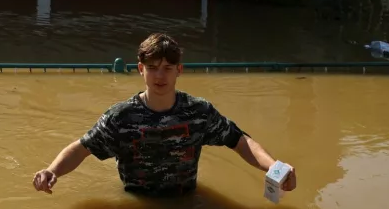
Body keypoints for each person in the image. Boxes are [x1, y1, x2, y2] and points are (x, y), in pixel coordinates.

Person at [33, 33, 296, 198]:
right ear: (140, 69)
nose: (160, 76)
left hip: (187, 201)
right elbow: (82, 148)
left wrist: (274, 166)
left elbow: (240, 141)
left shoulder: (199, 112)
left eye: (168, 68)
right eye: (152, 68)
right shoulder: (120, 117)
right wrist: (51, 170)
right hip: (138, 205)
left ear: (179, 70)